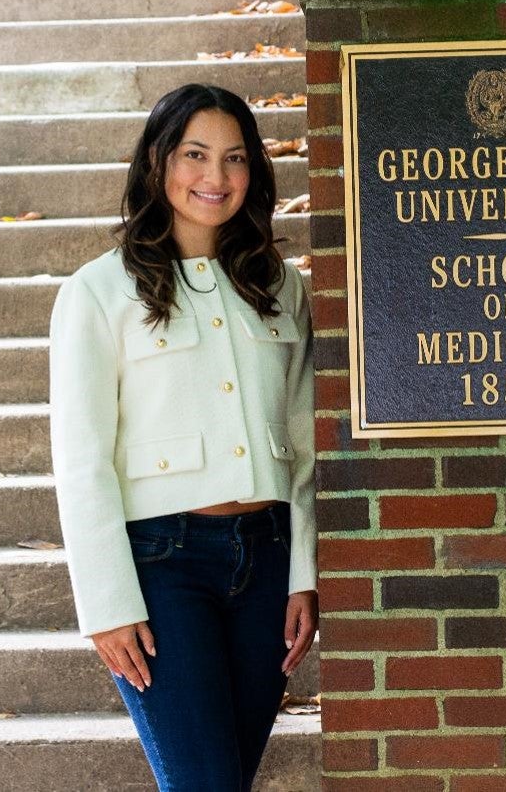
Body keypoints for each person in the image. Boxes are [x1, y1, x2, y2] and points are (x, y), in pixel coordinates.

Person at [48, 83, 317, 792]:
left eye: (235, 159)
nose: (215, 177)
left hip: (267, 564)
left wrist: (305, 572)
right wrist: (107, 604)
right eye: (195, 155)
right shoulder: (98, 292)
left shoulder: (283, 289)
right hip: (162, 566)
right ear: (158, 162)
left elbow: (305, 445)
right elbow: (81, 461)